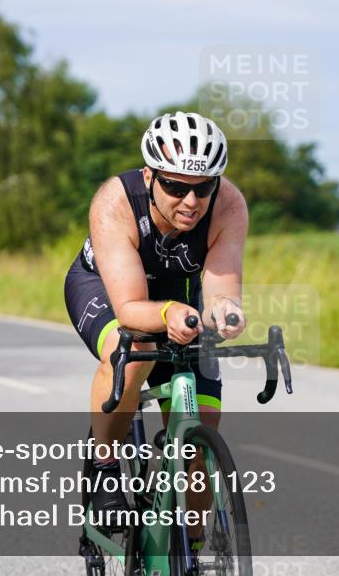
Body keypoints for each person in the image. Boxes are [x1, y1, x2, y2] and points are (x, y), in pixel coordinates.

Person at [64, 111, 249, 540]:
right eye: (175, 186)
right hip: (108, 288)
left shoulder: (230, 205)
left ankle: (192, 549)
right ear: (150, 176)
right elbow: (130, 307)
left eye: (203, 188)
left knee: (202, 426)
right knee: (134, 353)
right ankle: (104, 463)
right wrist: (166, 315)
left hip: (181, 298)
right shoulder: (115, 200)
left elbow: (221, 288)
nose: (190, 201)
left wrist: (226, 311)